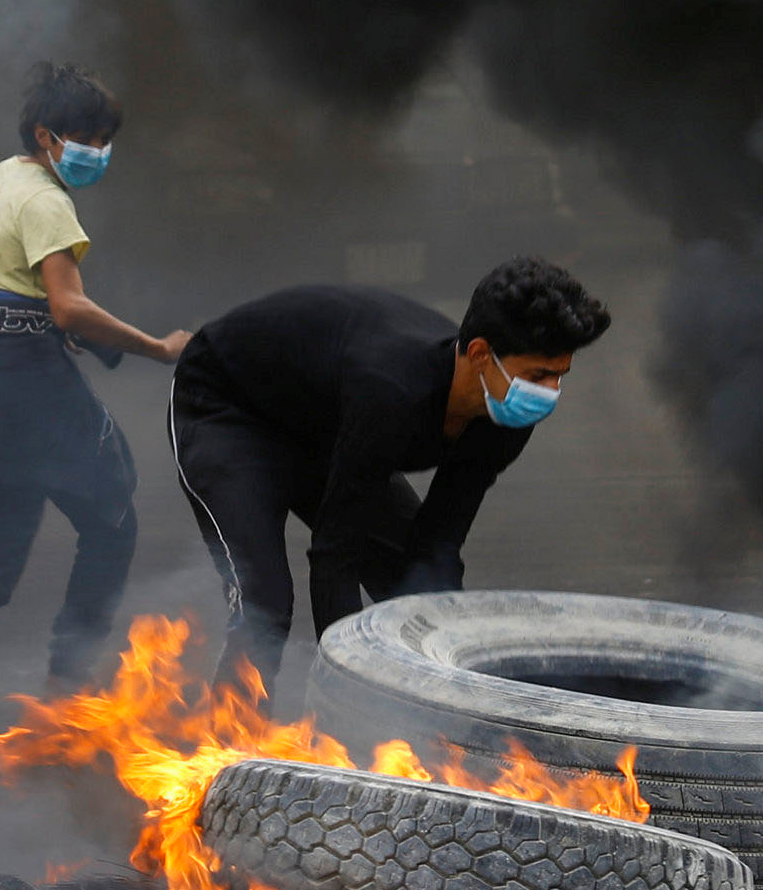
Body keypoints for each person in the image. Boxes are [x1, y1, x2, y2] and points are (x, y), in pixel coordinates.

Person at [170, 257, 610, 695]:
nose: (549, 393)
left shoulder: (506, 416)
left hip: (328, 425)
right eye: (539, 375)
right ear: (479, 354)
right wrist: (343, 696)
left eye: (559, 376)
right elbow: (335, 552)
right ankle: (230, 742)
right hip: (228, 408)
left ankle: (428, 732)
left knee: (420, 589)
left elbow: (439, 541)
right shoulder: (393, 392)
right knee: (264, 600)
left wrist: (449, 691)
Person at [0, 63, 189, 692]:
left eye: (106, 140)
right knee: (111, 515)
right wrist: (158, 348)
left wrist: (1, 309)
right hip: (18, 375)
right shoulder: (49, 201)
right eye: (88, 138)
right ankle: (71, 674)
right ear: (47, 135)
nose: (98, 152)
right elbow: (69, 307)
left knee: (20, 485)